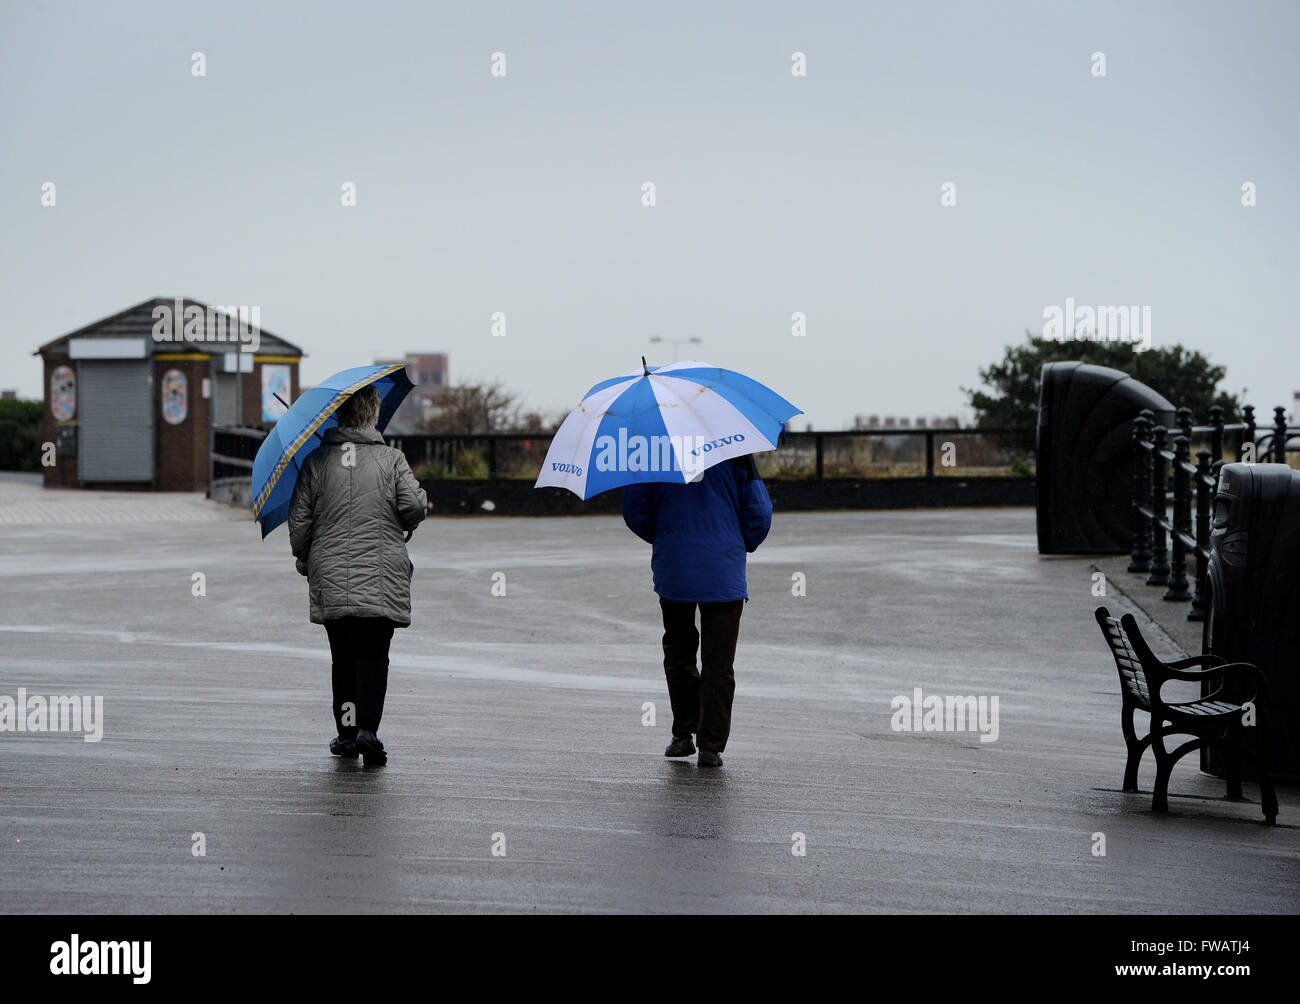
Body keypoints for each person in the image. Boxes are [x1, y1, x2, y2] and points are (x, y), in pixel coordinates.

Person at [288, 385, 427, 767]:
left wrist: (307, 559)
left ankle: (347, 735)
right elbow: (413, 505)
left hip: (331, 577)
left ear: (339, 417)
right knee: (374, 657)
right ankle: (368, 731)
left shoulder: (316, 462)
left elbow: (299, 525)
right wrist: (411, 516)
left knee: (343, 658)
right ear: (373, 415)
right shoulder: (391, 460)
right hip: (381, 577)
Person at [621, 454, 773, 767]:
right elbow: (759, 513)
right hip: (724, 572)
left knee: (679, 652)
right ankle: (710, 745)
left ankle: (682, 735)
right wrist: (736, 542)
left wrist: (667, 536)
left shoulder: (651, 452)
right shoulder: (736, 451)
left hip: (675, 567)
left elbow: (634, 510)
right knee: (719, 661)